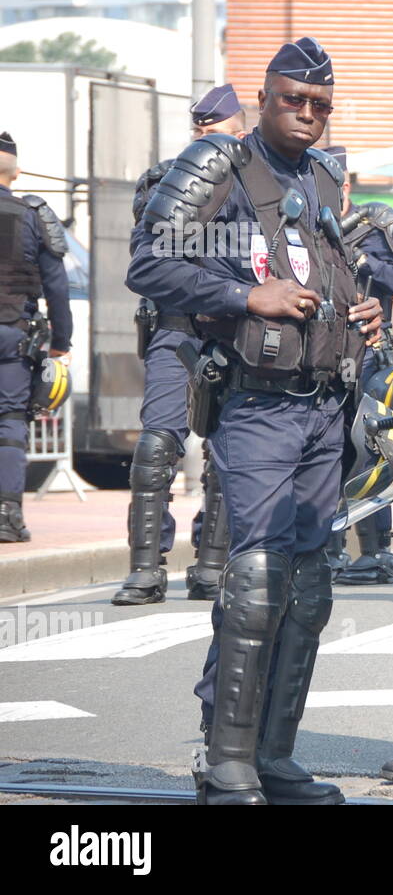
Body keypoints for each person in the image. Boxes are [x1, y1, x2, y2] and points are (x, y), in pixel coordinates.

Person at [128, 37, 385, 804]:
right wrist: (247, 297)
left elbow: (326, 269)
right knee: (260, 576)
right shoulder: (219, 167)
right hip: (255, 404)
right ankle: (226, 757)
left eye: (320, 106)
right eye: (292, 100)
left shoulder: (327, 177)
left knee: (310, 587)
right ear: (264, 100)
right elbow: (148, 262)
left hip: (324, 409)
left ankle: (275, 755)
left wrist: (362, 310)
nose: (307, 115)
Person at [114, 84, 246, 605]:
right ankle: (145, 570)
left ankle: (210, 567)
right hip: (178, 327)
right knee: (156, 446)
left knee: (226, 452)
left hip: (236, 329)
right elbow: (149, 259)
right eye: (205, 132)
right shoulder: (165, 179)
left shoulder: (259, 178)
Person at [321, 144, 393, 585]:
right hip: (324, 355)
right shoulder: (311, 227)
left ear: (347, 186)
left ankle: (376, 551)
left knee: (373, 448)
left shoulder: (375, 230)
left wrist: (367, 263)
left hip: (372, 354)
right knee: (328, 448)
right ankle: (330, 548)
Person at [0, 130, 72, 542]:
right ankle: (7, 518)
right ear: (18, 171)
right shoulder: (32, 215)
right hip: (13, 337)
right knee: (9, 423)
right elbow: (57, 287)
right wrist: (61, 342)